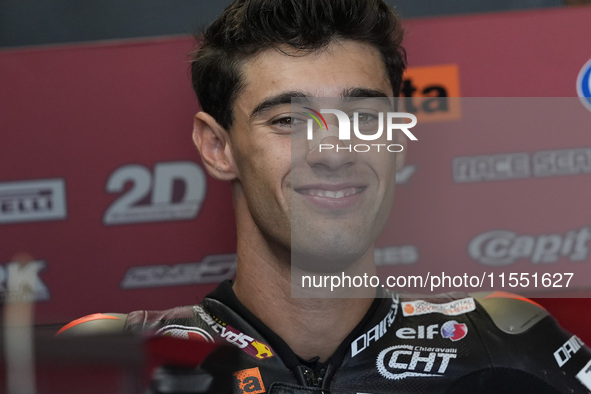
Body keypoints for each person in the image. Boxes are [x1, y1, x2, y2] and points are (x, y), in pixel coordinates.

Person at [59, 0, 591, 392]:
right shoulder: (112, 363)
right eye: (289, 120)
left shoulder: (507, 349)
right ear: (218, 147)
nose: (335, 152)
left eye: (364, 118)